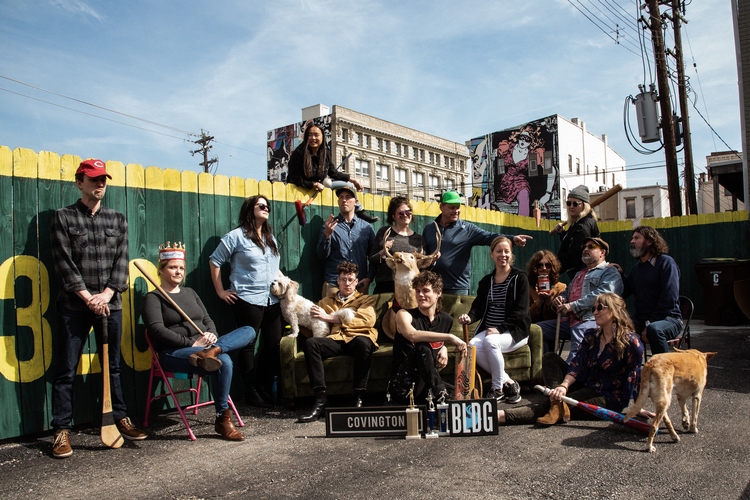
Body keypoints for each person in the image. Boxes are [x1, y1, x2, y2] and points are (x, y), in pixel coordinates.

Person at [49, 159, 146, 459]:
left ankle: (119, 419)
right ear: (80, 182)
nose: (100, 184)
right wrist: (87, 297)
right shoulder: (63, 218)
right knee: (66, 368)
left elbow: (122, 262)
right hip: (75, 307)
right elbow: (64, 264)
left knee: (113, 366)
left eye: (103, 179)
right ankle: (61, 431)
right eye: (93, 179)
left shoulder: (117, 219)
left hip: (110, 304)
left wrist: (105, 295)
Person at [141, 243, 256, 440]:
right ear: (161, 269)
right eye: (172, 267)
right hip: (174, 353)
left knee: (249, 330)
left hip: (206, 348)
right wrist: (191, 344)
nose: (178, 271)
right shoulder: (153, 298)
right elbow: (157, 331)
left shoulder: (191, 293)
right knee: (224, 361)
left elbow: (207, 320)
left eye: (181, 268)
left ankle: (214, 350)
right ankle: (222, 418)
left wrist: (211, 335)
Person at [498, 293, 644, 426]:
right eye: (593, 308)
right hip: (586, 384)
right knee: (551, 358)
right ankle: (556, 400)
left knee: (550, 406)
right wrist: (563, 386)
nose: (595, 312)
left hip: (607, 397)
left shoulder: (631, 342)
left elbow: (635, 376)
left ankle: (501, 416)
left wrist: (638, 407)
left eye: (600, 307)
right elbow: (577, 364)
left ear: (614, 311)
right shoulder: (592, 335)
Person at [210, 195, 282, 408]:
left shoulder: (271, 238)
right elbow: (215, 261)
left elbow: (273, 268)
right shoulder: (236, 236)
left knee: (274, 344)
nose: (265, 208)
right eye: (261, 205)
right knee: (247, 346)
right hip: (247, 298)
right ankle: (250, 392)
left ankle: (263, 386)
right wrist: (221, 291)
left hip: (272, 299)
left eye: (268, 205)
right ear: (250, 209)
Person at [297, 262, 378, 422]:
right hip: (335, 340)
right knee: (311, 344)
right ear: (338, 281)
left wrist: (330, 318)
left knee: (364, 343)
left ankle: (359, 396)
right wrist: (299, 320)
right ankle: (320, 400)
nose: (347, 283)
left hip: (357, 337)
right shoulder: (325, 302)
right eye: (343, 279)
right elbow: (313, 323)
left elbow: (367, 320)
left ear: (356, 282)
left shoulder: (366, 300)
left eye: (350, 280)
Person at [458, 237, 530, 404]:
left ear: (511, 254)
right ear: (492, 254)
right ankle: (509, 383)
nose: (502, 255)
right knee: (472, 346)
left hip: (514, 331)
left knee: (491, 341)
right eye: (499, 251)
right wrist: (470, 317)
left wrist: (500, 328)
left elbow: (521, 311)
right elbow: (478, 307)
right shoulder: (486, 282)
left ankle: (497, 389)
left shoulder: (520, 278)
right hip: (491, 330)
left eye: (506, 251)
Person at [422, 190, 532, 295]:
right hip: (432, 285)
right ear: (441, 207)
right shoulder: (429, 229)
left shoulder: (467, 229)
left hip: (457, 287)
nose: (456, 211)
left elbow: (489, 236)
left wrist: (512, 238)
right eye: (451, 207)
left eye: (458, 207)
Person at [537, 237, 623, 361]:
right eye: (585, 247)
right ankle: (546, 369)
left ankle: (568, 376)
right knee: (537, 330)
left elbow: (602, 296)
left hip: (592, 319)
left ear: (602, 252)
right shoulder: (580, 273)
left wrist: (573, 306)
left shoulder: (610, 272)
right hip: (571, 320)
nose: (586, 249)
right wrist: (561, 298)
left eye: (591, 246)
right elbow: (568, 292)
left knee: (577, 353)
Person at [389, 271, 466, 404]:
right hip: (402, 385)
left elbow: (436, 342)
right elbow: (413, 335)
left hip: (426, 384)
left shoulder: (446, 320)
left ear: (438, 293)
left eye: (425, 291)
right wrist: (449, 337)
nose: (420, 295)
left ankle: (441, 400)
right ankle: (441, 396)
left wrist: (444, 348)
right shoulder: (404, 314)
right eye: (418, 291)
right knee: (422, 348)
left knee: (459, 395)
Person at [286, 123, 378, 223]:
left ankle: (360, 211)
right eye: (310, 135)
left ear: (322, 137)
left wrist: (353, 180)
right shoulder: (298, 153)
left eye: (316, 135)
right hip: (302, 188)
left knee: (348, 185)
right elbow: (293, 178)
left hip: (322, 186)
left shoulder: (325, 153)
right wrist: (313, 184)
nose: (313, 138)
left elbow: (333, 173)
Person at [623, 226, 682, 355]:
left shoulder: (666, 263)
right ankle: (630, 371)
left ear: (649, 241)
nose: (632, 241)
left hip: (669, 319)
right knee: (617, 326)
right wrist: (617, 273)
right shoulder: (636, 269)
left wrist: (649, 324)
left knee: (654, 329)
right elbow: (623, 291)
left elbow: (669, 298)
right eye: (632, 238)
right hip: (642, 320)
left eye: (637, 238)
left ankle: (662, 370)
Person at [316, 186, 376, 297]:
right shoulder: (329, 225)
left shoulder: (366, 228)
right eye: (341, 197)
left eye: (348, 197)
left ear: (356, 202)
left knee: (359, 315)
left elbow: (374, 256)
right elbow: (321, 255)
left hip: (359, 285)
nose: (344, 200)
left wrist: (369, 277)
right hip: (334, 284)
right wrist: (327, 235)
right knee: (330, 314)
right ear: (338, 201)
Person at [369, 196, 426, 294]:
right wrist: (383, 251)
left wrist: (432, 260)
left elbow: (422, 267)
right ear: (393, 216)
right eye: (401, 213)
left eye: (408, 212)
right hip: (386, 286)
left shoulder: (419, 239)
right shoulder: (384, 233)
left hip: (409, 288)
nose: (405, 215)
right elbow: (372, 260)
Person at [554, 185, 600, 279]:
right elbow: (571, 241)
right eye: (568, 203)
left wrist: (553, 267)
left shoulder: (583, 226)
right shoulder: (577, 222)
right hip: (580, 272)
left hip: (582, 273)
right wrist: (562, 233)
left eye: (575, 204)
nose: (571, 206)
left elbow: (575, 255)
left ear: (584, 205)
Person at [527, 250, 567, 323]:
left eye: (548, 265)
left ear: (552, 267)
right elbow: (525, 317)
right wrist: (538, 301)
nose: (544, 268)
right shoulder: (528, 288)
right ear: (534, 267)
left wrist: (549, 301)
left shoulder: (561, 287)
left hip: (552, 329)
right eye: (540, 265)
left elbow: (559, 317)